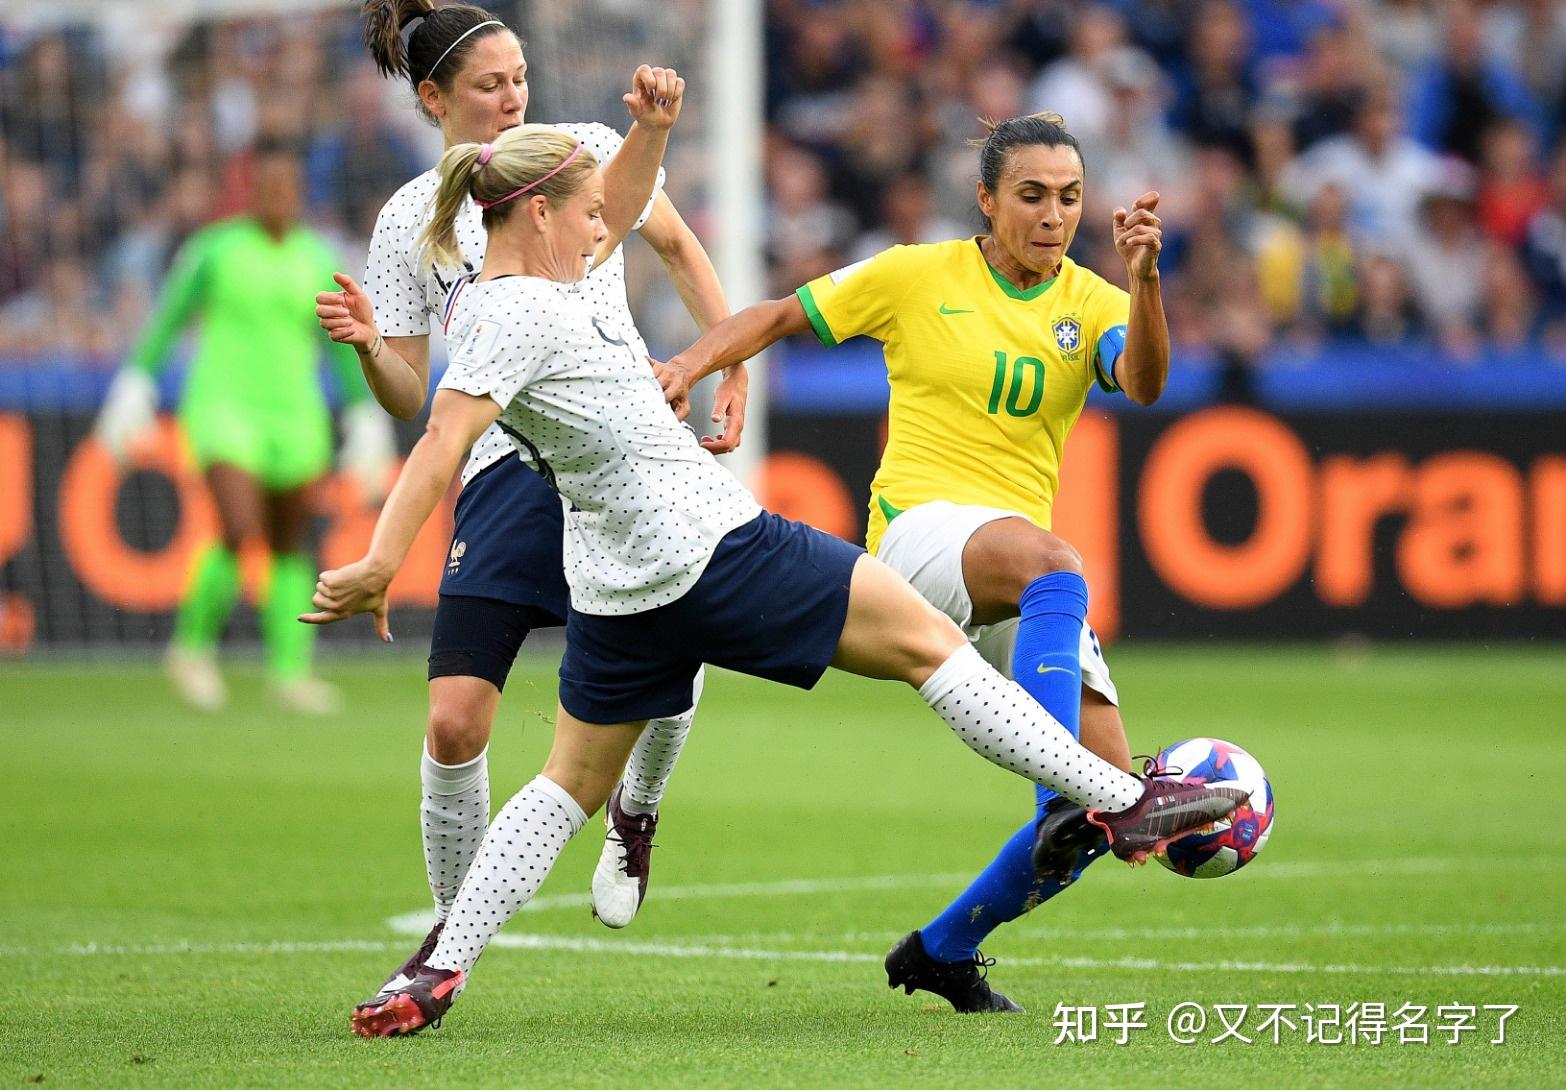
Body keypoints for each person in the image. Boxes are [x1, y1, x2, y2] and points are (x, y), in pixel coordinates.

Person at [301, 122, 1246, 1037]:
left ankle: (439, 965)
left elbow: (613, 237)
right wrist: (384, 558)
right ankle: (1123, 800)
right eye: (589, 213)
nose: (603, 230)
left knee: (566, 783)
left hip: (618, 579)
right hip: (713, 543)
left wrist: (651, 144)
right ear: (538, 213)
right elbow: (441, 439)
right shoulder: (531, 311)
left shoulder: (489, 298)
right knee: (932, 647)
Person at [657, 112, 1169, 1013]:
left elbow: (1147, 385)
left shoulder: (1094, 300)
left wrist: (1146, 281)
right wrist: (693, 364)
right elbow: (781, 314)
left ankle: (942, 951)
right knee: (1059, 569)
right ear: (986, 199)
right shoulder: (915, 274)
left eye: (1070, 198)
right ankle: (1059, 787)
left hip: (1015, 575)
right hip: (919, 534)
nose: (1054, 215)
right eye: (1032, 196)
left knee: (1107, 806)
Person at [313, 1, 744, 1005]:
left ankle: (637, 809)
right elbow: (412, 398)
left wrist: (727, 362)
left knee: (684, 633)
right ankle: (450, 934)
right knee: (455, 722)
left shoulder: (582, 150)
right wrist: (373, 346)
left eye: (519, 78)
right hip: (508, 467)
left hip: (622, 447)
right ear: (433, 99)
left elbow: (676, 247)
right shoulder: (411, 218)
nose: (513, 98)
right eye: (489, 85)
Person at [94, 135, 392, 715]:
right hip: (223, 407)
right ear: (249, 189)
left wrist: (363, 415)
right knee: (238, 525)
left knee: (288, 542)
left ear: (299, 190)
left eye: (286, 185)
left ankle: (290, 672)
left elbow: (339, 345)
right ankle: (191, 649)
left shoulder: (318, 257)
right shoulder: (214, 250)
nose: (276, 195)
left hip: (296, 415)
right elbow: (168, 320)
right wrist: (135, 384)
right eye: (266, 185)